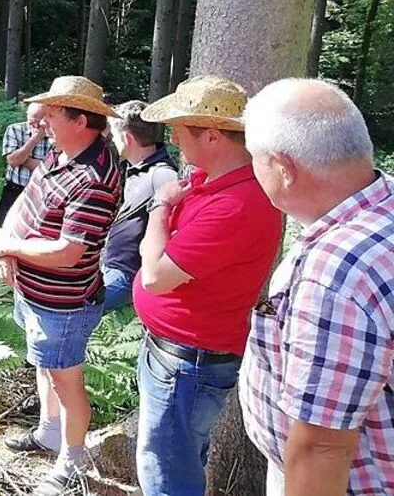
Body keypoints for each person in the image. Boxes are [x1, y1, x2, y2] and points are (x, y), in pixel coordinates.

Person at [239, 79, 394, 496]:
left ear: (284, 169)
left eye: (254, 157)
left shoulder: (337, 273)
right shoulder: (384, 205)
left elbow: (323, 447)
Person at [133, 75, 283, 496]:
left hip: (187, 364)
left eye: (180, 131)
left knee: (166, 473)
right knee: (171, 459)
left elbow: (156, 276)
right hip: (177, 356)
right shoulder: (209, 184)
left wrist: (160, 210)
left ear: (214, 136)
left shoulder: (236, 204)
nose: (175, 140)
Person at [0, 76, 122, 496]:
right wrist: (6, 248)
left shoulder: (95, 177)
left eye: (52, 113)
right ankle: (49, 432)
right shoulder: (62, 153)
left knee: (67, 380)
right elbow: (25, 203)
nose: (42, 120)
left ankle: (73, 458)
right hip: (35, 290)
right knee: (46, 365)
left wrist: (8, 247)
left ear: (80, 120)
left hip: (63, 302)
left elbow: (69, 252)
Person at [100, 100, 178, 313]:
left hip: (127, 273)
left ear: (127, 137)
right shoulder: (134, 168)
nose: (113, 141)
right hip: (111, 264)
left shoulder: (162, 174)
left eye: (114, 136)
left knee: (79, 310)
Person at [0, 103, 50, 227]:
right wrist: (34, 140)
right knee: (2, 227)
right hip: (15, 189)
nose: (35, 126)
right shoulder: (14, 129)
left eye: (39, 123)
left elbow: (52, 168)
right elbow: (13, 161)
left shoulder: (54, 135)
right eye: (32, 122)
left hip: (41, 194)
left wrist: (24, 158)